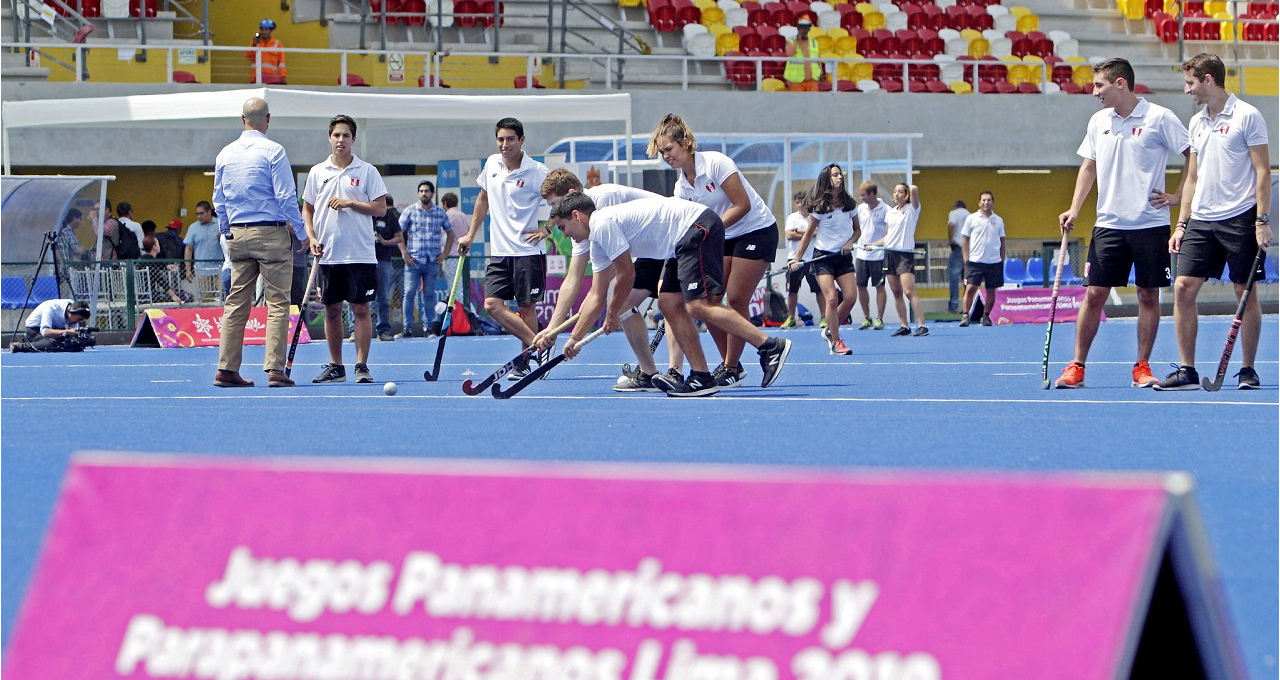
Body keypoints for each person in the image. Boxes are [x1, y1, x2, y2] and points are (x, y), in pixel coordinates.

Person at [547, 192, 792, 396]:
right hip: (680, 242)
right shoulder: (596, 243)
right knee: (669, 303)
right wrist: (574, 339)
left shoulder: (601, 224)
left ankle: (769, 345)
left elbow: (627, 274)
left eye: (563, 227)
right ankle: (701, 377)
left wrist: (612, 313)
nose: (564, 234)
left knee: (698, 305)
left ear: (577, 216)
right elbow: (596, 295)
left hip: (696, 227)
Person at [1054, 57, 1190, 389]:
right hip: (1109, 225)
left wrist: (1177, 197)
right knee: (1095, 294)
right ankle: (1076, 366)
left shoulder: (1160, 118)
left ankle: (1142, 366)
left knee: (1148, 295)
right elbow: (1088, 167)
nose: (1093, 92)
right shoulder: (1098, 121)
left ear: (1120, 84)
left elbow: (1193, 155)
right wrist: (1074, 208)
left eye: (1098, 85)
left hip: (1151, 224)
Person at [1156, 53, 1272, 391]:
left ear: (1208, 79)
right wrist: (1181, 224)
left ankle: (1248, 370)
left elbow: (1263, 172)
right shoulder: (1196, 122)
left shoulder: (1247, 116)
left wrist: (1261, 220)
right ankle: (1187, 370)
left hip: (1240, 217)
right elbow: (1192, 177)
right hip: (1201, 220)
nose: (1187, 89)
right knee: (1182, 288)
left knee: (1244, 293)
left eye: (1191, 82)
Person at [649, 113, 779, 388]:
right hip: (721, 236)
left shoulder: (717, 163)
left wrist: (708, 228)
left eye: (669, 149)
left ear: (685, 143)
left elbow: (742, 204)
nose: (666, 156)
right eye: (662, 153)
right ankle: (731, 365)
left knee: (736, 298)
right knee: (708, 304)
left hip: (755, 230)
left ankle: (732, 366)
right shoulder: (681, 187)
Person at [538, 168, 668, 391]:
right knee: (624, 305)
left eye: (554, 204)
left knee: (674, 302)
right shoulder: (577, 220)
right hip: (650, 248)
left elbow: (608, 278)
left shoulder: (602, 201)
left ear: (571, 193)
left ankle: (713, 367)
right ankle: (649, 374)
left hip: (669, 234)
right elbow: (572, 279)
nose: (553, 213)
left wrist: (577, 332)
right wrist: (553, 329)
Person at [212, 96, 309, 389]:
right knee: (277, 302)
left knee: (236, 303)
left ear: (242, 120)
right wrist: (302, 233)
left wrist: (227, 231)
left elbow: (219, 199)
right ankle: (275, 370)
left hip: (238, 235)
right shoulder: (274, 151)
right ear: (268, 120)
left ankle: (226, 368)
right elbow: (285, 197)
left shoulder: (224, 154)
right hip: (270, 233)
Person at [456, 117, 550, 378]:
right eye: (500, 139)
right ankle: (539, 345)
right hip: (499, 252)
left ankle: (525, 361)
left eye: (510, 139)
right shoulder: (492, 163)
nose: (504, 144)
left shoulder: (537, 171)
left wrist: (547, 228)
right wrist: (470, 234)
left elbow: (565, 198)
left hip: (528, 252)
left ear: (522, 140)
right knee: (492, 304)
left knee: (527, 306)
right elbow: (483, 199)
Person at [303, 114, 389, 385]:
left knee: (361, 309)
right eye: (336, 135)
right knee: (331, 309)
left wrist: (351, 203)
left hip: (360, 253)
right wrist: (312, 237)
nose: (341, 140)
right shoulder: (318, 172)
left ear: (353, 139)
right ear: (330, 138)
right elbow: (308, 209)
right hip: (328, 254)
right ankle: (336, 366)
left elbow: (380, 207)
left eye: (346, 136)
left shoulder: (367, 171)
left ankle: (361, 365)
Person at [789, 164, 861, 356]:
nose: (839, 177)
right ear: (827, 180)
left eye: (840, 174)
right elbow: (807, 235)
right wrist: (796, 258)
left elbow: (857, 231)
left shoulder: (850, 204)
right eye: (835, 175)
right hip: (823, 258)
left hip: (843, 257)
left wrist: (850, 242)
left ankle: (830, 329)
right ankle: (836, 341)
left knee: (851, 297)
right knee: (831, 298)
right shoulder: (820, 207)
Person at [398, 180, 454, 338]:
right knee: (408, 294)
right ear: (418, 193)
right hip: (413, 260)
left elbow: (450, 233)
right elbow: (398, 233)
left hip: (432, 260)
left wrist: (445, 253)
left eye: (427, 191)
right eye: (421, 191)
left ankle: (428, 328)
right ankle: (407, 328)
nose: (424, 193)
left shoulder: (439, 212)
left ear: (432, 194)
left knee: (429, 294)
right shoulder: (410, 210)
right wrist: (404, 253)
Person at [871, 182, 927, 336]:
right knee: (896, 292)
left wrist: (909, 190)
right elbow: (888, 237)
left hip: (904, 254)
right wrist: (872, 244)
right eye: (895, 191)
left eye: (900, 192)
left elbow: (915, 189)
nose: (896, 194)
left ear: (906, 195)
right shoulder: (890, 213)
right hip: (889, 254)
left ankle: (922, 325)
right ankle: (904, 326)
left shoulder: (912, 209)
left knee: (909, 291)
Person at [958, 191, 1005, 327]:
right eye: (983, 200)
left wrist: (1001, 259)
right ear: (979, 202)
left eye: (989, 200)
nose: (986, 202)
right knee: (971, 287)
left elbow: (1002, 241)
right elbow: (965, 240)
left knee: (991, 290)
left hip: (994, 262)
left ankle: (986, 316)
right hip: (975, 261)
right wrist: (966, 258)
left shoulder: (999, 220)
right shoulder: (971, 219)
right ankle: (965, 315)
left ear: (993, 202)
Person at [854, 180, 889, 330]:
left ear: (872, 194)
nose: (861, 198)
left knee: (879, 286)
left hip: (879, 256)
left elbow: (889, 235)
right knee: (861, 286)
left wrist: (875, 246)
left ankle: (879, 319)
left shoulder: (886, 210)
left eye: (864, 195)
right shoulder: (860, 209)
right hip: (861, 255)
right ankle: (866, 317)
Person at [782, 190, 818, 329]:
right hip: (794, 260)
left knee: (819, 290)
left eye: (802, 202)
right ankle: (791, 318)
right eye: (797, 202)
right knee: (792, 291)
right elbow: (789, 235)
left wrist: (799, 231)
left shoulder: (815, 217)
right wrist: (808, 233)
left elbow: (817, 233)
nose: (800, 205)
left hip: (812, 259)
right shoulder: (792, 218)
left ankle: (823, 318)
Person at [370, 195, 403, 342]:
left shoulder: (389, 215)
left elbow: (399, 237)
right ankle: (354, 330)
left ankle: (382, 330)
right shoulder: (364, 212)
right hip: (364, 259)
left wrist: (386, 242)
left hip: (383, 259)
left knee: (383, 297)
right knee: (358, 297)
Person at [17, 299, 94, 352]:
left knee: (72, 344)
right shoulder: (51, 308)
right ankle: (20, 346)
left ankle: (38, 344)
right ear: (73, 312)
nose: (78, 321)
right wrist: (67, 332)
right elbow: (45, 332)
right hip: (35, 330)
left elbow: (73, 333)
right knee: (53, 344)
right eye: (79, 319)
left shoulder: (72, 307)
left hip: (55, 328)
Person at [185, 200, 224, 304]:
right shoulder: (193, 228)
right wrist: (188, 269)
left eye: (201, 213)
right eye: (197, 214)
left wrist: (223, 237)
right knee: (206, 299)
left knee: (224, 296)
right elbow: (189, 249)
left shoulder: (220, 224)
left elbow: (231, 243)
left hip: (220, 268)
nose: (199, 216)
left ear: (209, 212)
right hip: (202, 270)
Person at [783, 18, 821, 92]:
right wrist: (798, 40)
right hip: (797, 80)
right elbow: (789, 53)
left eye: (806, 28)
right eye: (802, 28)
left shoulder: (814, 42)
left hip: (812, 80)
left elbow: (818, 59)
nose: (804, 30)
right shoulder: (791, 41)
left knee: (813, 102)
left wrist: (821, 73)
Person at [246, 18, 287, 84]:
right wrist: (254, 45)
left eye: (266, 30)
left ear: (270, 31)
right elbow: (249, 57)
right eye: (262, 29)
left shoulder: (277, 43)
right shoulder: (255, 42)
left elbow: (282, 62)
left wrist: (283, 76)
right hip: (257, 77)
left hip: (273, 78)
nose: (264, 32)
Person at [946, 200, 969, 313]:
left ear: (955, 206)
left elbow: (951, 225)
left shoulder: (953, 213)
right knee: (966, 278)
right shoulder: (970, 215)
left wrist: (950, 240)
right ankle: (968, 305)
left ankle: (953, 305)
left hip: (958, 247)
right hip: (969, 248)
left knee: (954, 277)